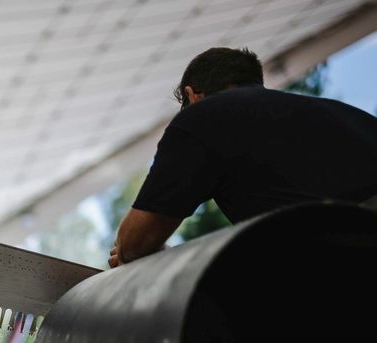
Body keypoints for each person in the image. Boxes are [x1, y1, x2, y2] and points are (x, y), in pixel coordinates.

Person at [109, 46, 377, 268]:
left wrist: (154, 251)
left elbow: (133, 245)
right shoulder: (345, 115)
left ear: (192, 96)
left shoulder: (202, 116)